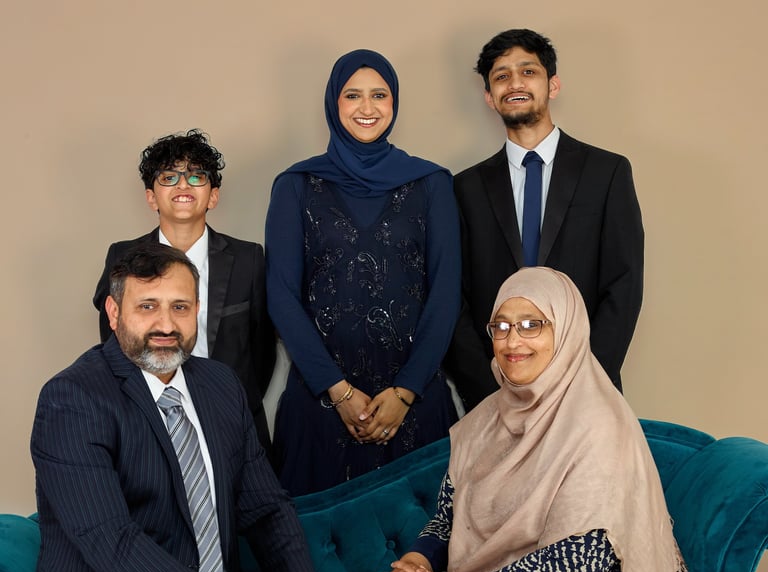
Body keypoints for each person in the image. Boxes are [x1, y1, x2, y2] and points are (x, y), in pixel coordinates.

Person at [32, 244, 353, 572]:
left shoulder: (219, 385)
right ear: (114, 313)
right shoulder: (73, 399)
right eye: (147, 306)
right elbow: (109, 541)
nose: (166, 323)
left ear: (197, 311)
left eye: (180, 307)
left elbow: (265, 505)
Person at [358, 267, 691, 572]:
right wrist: (417, 563)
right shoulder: (488, 421)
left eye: (533, 324)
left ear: (567, 331)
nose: (513, 340)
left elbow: (577, 562)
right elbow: (450, 516)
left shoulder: (598, 425)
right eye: (502, 325)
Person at [265, 49, 461, 496]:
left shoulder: (432, 183)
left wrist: (406, 391)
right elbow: (281, 295)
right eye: (353, 95)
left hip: (415, 404)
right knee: (313, 553)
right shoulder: (295, 185)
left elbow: (446, 293)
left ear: (394, 104)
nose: (367, 108)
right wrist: (339, 392)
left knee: (423, 556)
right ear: (334, 103)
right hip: (320, 404)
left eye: (380, 95)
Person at [447, 29, 644, 411]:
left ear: (552, 85)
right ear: (489, 97)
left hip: (588, 394)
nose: (515, 83)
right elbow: (454, 298)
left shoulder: (607, 172)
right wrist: (489, 392)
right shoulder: (464, 189)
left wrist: (586, 378)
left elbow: (624, 284)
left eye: (528, 71)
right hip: (496, 397)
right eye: (501, 76)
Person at [93, 129, 275, 453]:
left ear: (213, 196)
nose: (182, 185)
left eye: (195, 177)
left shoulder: (249, 259)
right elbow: (114, 344)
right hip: (147, 421)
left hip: (233, 422)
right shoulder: (121, 256)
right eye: (169, 177)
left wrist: (230, 395)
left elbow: (262, 353)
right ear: (151, 197)